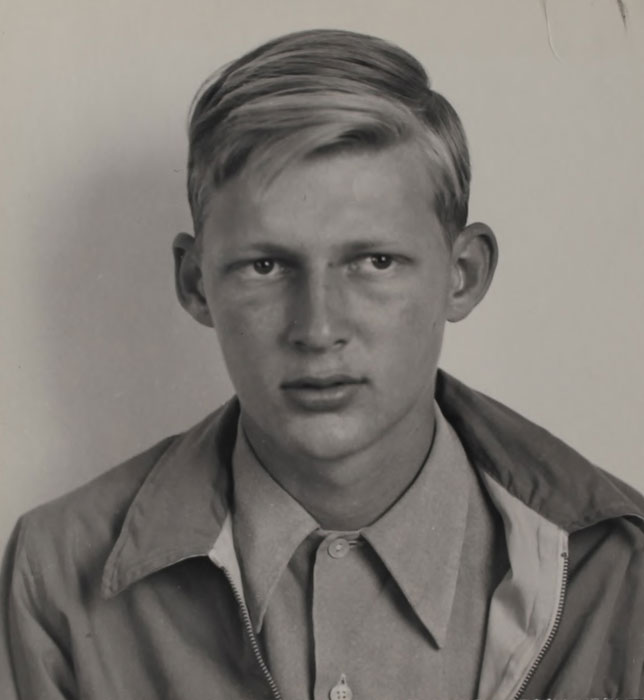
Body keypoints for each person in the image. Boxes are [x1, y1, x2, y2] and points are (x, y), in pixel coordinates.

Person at [1, 28, 643, 700]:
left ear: (463, 274)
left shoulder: (620, 569)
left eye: (375, 262)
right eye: (266, 266)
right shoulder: (57, 576)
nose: (319, 329)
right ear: (196, 283)